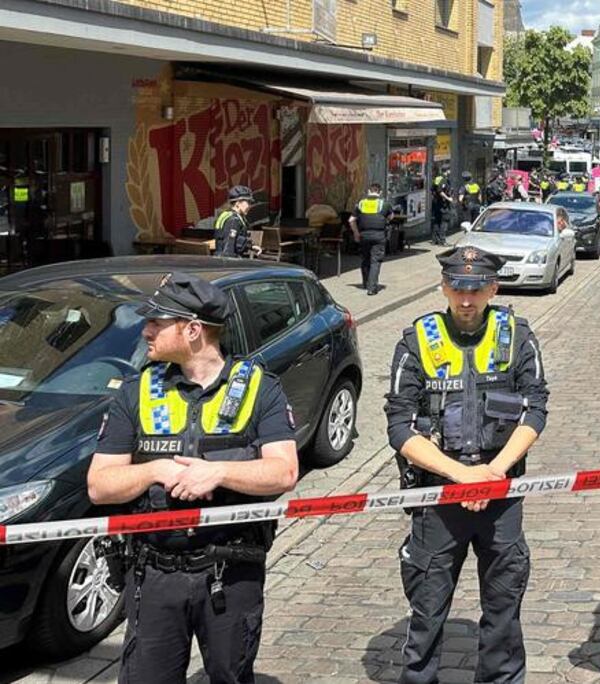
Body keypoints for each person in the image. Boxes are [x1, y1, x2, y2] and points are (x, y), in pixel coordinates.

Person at [87, 272, 299, 684]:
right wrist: (154, 469)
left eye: (157, 322)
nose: (145, 330)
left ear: (193, 330)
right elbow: (99, 485)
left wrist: (218, 472)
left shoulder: (260, 389)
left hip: (230, 571)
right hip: (154, 574)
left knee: (230, 675)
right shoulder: (135, 392)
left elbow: (284, 471)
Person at [385, 246, 550, 684]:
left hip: (501, 494)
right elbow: (400, 427)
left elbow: (535, 410)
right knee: (426, 612)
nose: (465, 300)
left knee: (503, 611)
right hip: (439, 495)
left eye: (476, 289)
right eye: (457, 287)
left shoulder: (517, 335)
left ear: (493, 288)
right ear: (443, 286)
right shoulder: (416, 341)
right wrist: (462, 476)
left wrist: (492, 474)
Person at [349, 183, 394, 296]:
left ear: (369, 191)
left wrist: (356, 233)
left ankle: (365, 283)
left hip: (364, 236)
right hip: (379, 236)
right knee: (375, 261)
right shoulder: (385, 204)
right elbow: (391, 217)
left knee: (365, 259)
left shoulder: (361, 203)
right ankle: (372, 288)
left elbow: (351, 220)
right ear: (380, 192)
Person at [214, 186, 260, 258]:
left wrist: (250, 246)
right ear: (238, 203)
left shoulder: (227, 215)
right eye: (248, 202)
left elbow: (237, 241)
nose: (250, 206)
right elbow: (229, 247)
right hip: (229, 263)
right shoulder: (233, 220)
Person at [431, 169, 453, 245]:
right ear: (447, 171)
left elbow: (432, 190)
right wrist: (448, 198)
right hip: (443, 204)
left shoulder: (437, 178)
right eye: (449, 170)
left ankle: (435, 240)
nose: (450, 172)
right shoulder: (444, 180)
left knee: (437, 221)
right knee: (445, 221)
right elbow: (440, 191)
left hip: (436, 203)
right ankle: (442, 241)